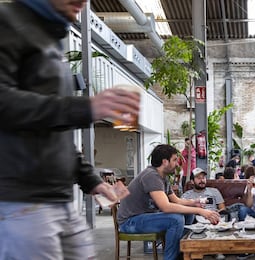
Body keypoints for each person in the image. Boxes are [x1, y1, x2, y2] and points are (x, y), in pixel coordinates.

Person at [0, 1, 141, 259]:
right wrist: (85, 108)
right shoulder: (7, 21)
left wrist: (90, 179)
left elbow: (53, 134)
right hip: (23, 202)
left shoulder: (50, 40)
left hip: (59, 201)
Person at [117, 144, 220, 260]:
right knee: (175, 219)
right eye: (175, 160)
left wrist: (193, 203)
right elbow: (166, 207)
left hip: (144, 217)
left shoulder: (163, 177)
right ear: (165, 161)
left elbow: (176, 200)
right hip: (130, 222)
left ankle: (181, 252)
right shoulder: (151, 176)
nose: (177, 164)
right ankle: (171, 257)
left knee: (188, 214)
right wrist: (201, 211)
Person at [181, 168, 227, 260]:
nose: (202, 180)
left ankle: (213, 250)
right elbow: (182, 209)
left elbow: (223, 208)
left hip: (213, 218)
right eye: (198, 178)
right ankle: (202, 250)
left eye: (203, 177)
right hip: (196, 220)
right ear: (192, 181)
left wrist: (216, 213)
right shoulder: (186, 195)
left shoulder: (214, 191)